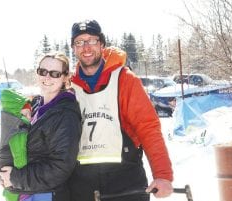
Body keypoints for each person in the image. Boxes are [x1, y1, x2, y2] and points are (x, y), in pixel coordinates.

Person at [69, 19, 173, 201]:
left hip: (125, 181)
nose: (86, 47)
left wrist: (162, 174)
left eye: (92, 40)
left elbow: (148, 128)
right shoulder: (69, 86)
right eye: (79, 42)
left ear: (101, 44)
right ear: (73, 48)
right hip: (81, 183)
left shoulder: (125, 80)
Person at [0, 52, 82, 201]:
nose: (47, 77)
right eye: (43, 72)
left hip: (46, 195)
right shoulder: (35, 106)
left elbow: (60, 167)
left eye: (55, 73)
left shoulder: (66, 114)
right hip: (25, 191)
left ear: (65, 77)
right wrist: (4, 174)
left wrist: (16, 178)